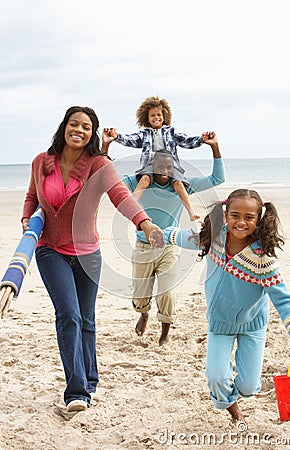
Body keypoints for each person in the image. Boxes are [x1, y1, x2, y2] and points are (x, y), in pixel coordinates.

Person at [20, 106, 157, 413]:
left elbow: (121, 195)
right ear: (64, 127)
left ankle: (90, 379)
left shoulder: (99, 165)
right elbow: (32, 197)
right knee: (68, 316)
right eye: (74, 124)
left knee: (87, 320)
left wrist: (144, 222)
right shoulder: (41, 162)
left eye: (85, 127)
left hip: (87, 254)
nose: (78, 130)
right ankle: (77, 392)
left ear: (91, 133)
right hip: (49, 249)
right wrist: (27, 219)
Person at [150, 189, 290, 424]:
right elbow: (187, 237)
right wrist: (162, 234)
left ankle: (241, 395)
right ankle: (234, 412)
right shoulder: (215, 237)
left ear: (258, 218)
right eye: (235, 216)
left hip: (252, 326)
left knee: (249, 386)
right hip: (219, 323)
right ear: (226, 214)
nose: (241, 223)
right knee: (217, 378)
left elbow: (284, 300)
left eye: (249, 217)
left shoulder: (263, 261)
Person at [103, 129, 225, 346]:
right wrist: (106, 146)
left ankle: (164, 332)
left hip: (169, 248)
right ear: (151, 166)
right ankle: (144, 313)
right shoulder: (139, 181)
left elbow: (218, 178)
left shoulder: (183, 186)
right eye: (159, 166)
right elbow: (108, 178)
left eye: (169, 167)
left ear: (174, 168)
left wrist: (214, 147)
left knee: (167, 292)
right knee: (141, 295)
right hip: (142, 245)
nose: (164, 171)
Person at [108, 95, 209, 221]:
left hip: (170, 166)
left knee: (178, 184)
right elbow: (130, 140)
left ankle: (191, 212)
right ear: (147, 119)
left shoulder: (171, 132)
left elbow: (186, 141)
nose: (156, 118)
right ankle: (131, 207)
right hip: (151, 166)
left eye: (159, 115)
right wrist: (116, 136)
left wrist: (201, 140)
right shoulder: (144, 134)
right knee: (144, 180)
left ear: (164, 117)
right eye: (153, 115)